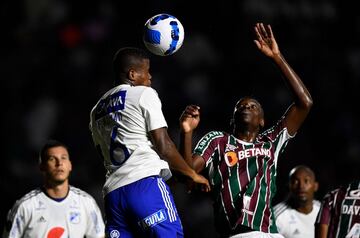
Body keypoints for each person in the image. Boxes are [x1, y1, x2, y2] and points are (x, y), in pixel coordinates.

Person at [179, 22, 313, 238]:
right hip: (238, 234)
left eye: (253, 106)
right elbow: (187, 173)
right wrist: (186, 132)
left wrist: (277, 58)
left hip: (270, 232)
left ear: (262, 121)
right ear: (233, 119)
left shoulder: (271, 141)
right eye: (240, 106)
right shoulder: (218, 141)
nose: (246, 107)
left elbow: (304, 103)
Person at [89, 47, 210, 237]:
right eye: (147, 71)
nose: (150, 77)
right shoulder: (143, 94)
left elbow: (101, 153)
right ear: (132, 74)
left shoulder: (96, 111)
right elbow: (164, 145)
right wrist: (192, 174)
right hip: (145, 187)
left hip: (113, 196)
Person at [2, 139, 105, 238]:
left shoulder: (87, 203)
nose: (59, 163)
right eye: (52, 159)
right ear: (42, 167)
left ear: (70, 165)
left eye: (63, 158)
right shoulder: (24, 207)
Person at [273, 165, 320, 238]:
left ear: (315, 186)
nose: (301, 186)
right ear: (289, 186)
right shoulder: (276, 216)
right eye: (295, 181)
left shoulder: (324, 210)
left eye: (306, 181)